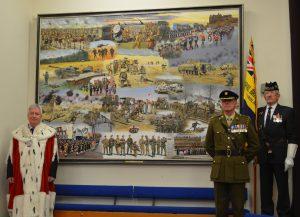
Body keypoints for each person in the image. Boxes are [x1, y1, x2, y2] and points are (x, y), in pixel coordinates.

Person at [205, 90, 259, 217]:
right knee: (220, 207)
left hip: (238, 168)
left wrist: (243, 159)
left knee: (238, 206)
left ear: (236, 103)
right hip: (220, 168)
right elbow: (208, 145)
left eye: (230, 101)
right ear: (221, 104)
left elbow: (255, 145)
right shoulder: (214, 121)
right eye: (224, 101)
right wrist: (219, 157)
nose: (227, 103)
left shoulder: (245, 121)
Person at [6, 104, 58, 217]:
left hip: (42, 176)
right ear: (28, 115)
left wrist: (52, 173)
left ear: (41, 116)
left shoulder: (49, 133)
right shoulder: (18, 133)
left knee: (40, 205)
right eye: (31, 113)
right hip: (21, 176)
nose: (34, 116)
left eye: (37, 114)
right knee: (22, 202)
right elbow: (11, 154)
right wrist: (10, 173)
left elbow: (54, 155)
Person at [257, 82, 297, 217]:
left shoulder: (287, 111)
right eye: (266, 93)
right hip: (263, 156)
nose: (268, 95)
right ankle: (266, 214)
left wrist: (290, 157)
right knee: (265, 189)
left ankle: (284, 213)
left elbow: (293, 136)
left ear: (278, 95)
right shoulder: (260, 111)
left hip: (280, 155)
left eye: (271, 92)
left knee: (282, 188)